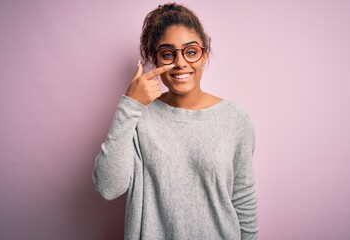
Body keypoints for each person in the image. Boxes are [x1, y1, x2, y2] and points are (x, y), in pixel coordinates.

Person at [93, 3, 258, 240]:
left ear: (205, 55)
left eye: (191, 51)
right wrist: (129, 104)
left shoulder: (235, 118)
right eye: (168, 54)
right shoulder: (138, 116)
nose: (180, 63)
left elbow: (243, 197)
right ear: (156, 60)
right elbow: (108, 188)